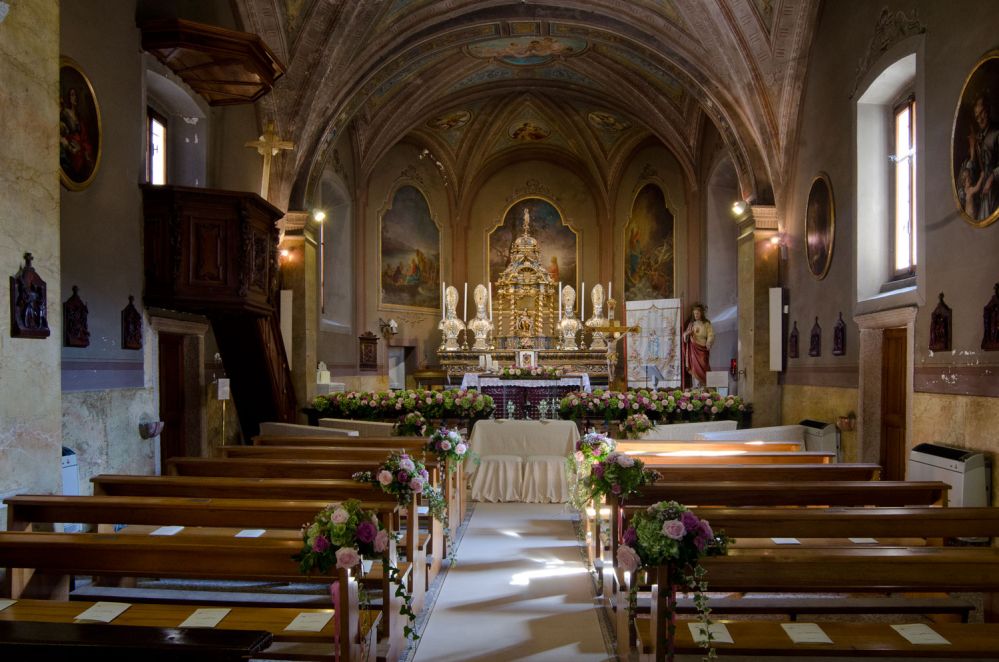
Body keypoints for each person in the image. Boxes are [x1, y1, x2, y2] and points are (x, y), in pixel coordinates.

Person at [963, 92, 999, 221]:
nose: (980, 119)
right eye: (977, 117)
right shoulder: (978, 139)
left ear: (988, 109)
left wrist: (992, 177)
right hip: (983, 192)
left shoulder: (996, 134)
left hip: (995, 188)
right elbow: (976, 170)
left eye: (982, 113)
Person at [682, 304, 714, 387]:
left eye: (697, 313)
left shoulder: (706, 323)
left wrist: (708, 342)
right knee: (694, 367)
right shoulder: (691, 324)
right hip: (693, 348)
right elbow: (685, 337)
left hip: (703, 347)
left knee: (703, 364)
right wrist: (687, 334)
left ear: (701, 314)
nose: (696, 315)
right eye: (695, 314)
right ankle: (696, 387)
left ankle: (705, 386)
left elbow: (711, 334)